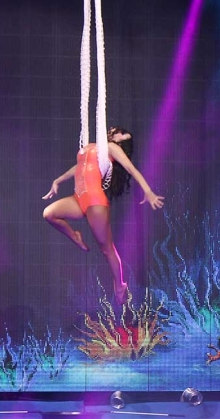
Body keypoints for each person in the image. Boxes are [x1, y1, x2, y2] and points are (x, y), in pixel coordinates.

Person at [42, 126, 164, 305]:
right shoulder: (93, 145)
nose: (118, 132)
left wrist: (149, 192)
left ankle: (120, 284)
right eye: (122, 131)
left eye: (123, 135)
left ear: (121, 142)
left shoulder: (112, 149)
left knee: (106, 248)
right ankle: (75, 236)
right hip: (78, 199)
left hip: (95, 202)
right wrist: (58, 180)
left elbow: (131, 169)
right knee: (49, 213)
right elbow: (79, 166)